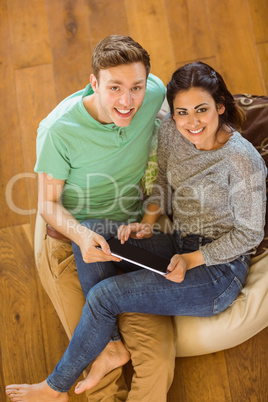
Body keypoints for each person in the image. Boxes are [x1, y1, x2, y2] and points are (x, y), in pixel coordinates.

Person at [6, 61, 267, 401]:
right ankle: (113, 345)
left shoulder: (242, 161)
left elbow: (249, 234)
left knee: (104, 296)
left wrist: (191, 259)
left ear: (220, 106)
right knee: (91, 231)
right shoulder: (174, 132)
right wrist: (146, 225)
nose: (192, 122)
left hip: (217, 272)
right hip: (179, 242)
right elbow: (161, 182)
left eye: (202, 110)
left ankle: (56, 387)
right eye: (182, 112)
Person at [6, 35, 177, 402]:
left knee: (158, 362)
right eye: (114, 88)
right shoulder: (58, 130)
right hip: (71, 244)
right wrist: (83, 237)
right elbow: (47, 204)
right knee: (98, 374)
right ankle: (107, 350)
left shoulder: (153, 93)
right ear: (94, 83)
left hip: (131, 243)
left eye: (135, 87)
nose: (127, 101)